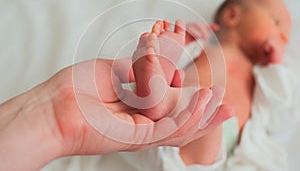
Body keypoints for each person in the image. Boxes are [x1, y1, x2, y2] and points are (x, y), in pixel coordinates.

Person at [0, 20, 233, 171]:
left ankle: (161, 94)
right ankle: (161, 94)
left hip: (214, 154)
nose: (272, 31)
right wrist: (185, 45)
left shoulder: (265, 81)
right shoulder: (207, 47)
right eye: (272, 20)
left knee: (208, 107)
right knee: (204, 103)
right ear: (233, 16)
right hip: (166, 124)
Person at [178, 0, 291, 166]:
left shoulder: (263, 79)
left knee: (211, 120)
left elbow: (279, 118)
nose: (282, 37)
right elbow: (170, 64)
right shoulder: (203, 49)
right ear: (232, 16)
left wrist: (275, 68)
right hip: (178, 112)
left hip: (222, 134)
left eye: (285, 37)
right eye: (276, 22)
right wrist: (181, 41)